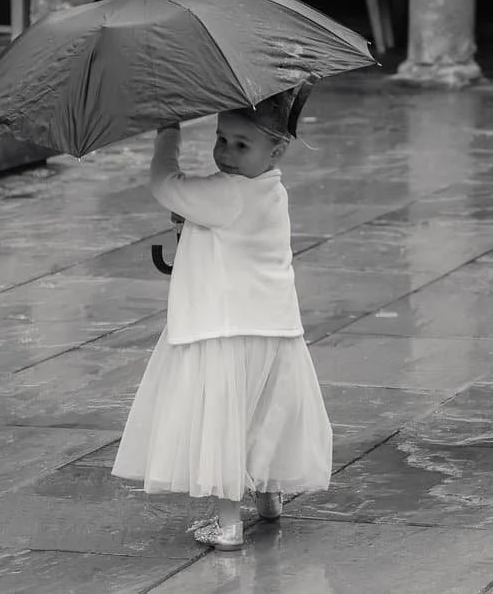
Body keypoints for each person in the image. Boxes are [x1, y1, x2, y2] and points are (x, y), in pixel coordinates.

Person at [113, 88, 333, 550]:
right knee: (264, 416)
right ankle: (269, 499)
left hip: (225, 329)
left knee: (225, 424)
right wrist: (190, 224)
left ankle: (228, 525)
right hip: (273, 328)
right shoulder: (272, 190)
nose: (226, 153)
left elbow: (164, 183)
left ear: (277, 150)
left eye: (241, 144)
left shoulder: (224, 193)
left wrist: (167, 133)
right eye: (221, 139)